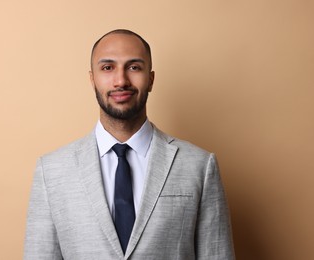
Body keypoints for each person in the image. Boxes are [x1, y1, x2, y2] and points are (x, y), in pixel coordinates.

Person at [24, 29, 235, 260]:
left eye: (134, 67)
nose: (121, 80)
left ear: (151, 79)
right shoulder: (51, 171)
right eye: (107, 68)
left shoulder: (199, 166)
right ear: (92, 79)